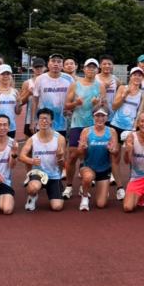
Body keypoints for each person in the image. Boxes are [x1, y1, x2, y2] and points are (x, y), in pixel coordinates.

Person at [63, 58, 105, 200]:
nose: (91, 70)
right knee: (72, 155)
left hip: (93, 125)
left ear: (97, 70)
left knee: (89, 155)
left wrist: (97, 104)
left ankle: (85, 185)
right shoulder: (75, 85)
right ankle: (69, 186)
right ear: (84, 69)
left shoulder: (100, 86)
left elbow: (103, 109)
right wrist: (76, 103)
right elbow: (66, 105)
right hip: (77, 124)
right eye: (88, 67)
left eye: (94, 67)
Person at [110, 67, 144, 200]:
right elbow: (114, 106)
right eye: (134, 75)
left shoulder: (143, 94)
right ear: (130, 76)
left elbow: (140, 111)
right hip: (116, 126)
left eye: (140, 75)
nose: (137, 77)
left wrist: (134, 128)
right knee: (115, 156)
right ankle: (120, 188)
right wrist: (124, 95)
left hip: (130, 129)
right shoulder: (122, 88)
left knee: (133, 158)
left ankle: (134, 186)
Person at [18, 108, 66, 212]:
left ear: (51, 121)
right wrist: (31, 161)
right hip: (38, 173)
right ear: (38, 121)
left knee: (57, 207)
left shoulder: (60, 138)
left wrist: (60, 157)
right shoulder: (32, 139)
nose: (44, 121)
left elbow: (62, 163)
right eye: (41, 119)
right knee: (33, 188)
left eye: (46, 119)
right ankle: (32, 196)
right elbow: (21, 156)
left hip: (54, 175)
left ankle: (54, 188)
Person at [75, 107, 119, 211]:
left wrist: (113, 150)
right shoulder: (86, 131)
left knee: (101, 204)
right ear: (93, 117)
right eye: (97, 116)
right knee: (88, 177)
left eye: (103, 116)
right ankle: (84, 197)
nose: (100, 118)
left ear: (107, 117)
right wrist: (82, 148)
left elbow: (116, 152)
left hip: (104, 169)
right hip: (88, 166)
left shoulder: (112, 131)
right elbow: (79, 154)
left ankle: (103, 190)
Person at [30, 54, 72, 134]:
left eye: (59, 62)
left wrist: (70, 109)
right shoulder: (40, 79)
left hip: (63, 122)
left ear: (62, 65)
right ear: (48, 64)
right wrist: (33, 121)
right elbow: (35, 101)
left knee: (61, 142)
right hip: (44, 122)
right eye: (53, 61)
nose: (56, 64)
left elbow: (73, 98)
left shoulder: (69, 79)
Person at [17, 57, 46, 138]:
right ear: (32, 68)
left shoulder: (49, 82)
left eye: (41, 67)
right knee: (29, 142)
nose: (39, 69)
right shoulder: (27, 83)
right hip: (30, 119)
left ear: (45, 68)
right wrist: (28, 93)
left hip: (46, 117)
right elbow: (20, 102)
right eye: (36, 67)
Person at [97, 55, 118, 121]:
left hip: (111, 115)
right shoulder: (95, 78)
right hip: (97, 113)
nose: (107, 66)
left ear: (112, 65)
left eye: (109, 64)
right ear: (100, 65)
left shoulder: (115, 79)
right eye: (104, 64)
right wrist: (103, 88)